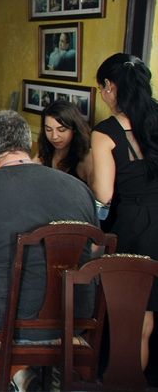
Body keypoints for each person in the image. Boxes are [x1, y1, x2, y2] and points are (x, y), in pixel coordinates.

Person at [0, 110, 97, 391]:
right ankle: (18, 369)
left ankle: (11, 362)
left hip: (4, 315)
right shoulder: (78, 189)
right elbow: (94, 247)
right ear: (30, 145)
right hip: (75, 314)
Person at [92, 53, 158, 370]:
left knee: (132, 320)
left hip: (136, 226)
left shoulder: (106, 131)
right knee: (148, 316)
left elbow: (104, 194)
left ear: (110, 87)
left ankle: (122, 380)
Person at [32, 100, 92, 183]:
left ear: (74, 128)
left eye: (61, 130)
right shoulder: (45, 149)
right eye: (48, 130)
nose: (54, 136)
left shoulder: (86, 157)